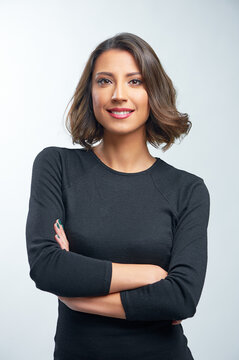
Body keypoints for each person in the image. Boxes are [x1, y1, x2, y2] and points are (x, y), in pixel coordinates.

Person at [25, 32, 210, 360]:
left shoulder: (188, 190)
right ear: (91, 92)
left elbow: (181, 297)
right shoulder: (56, 166)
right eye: (105, 81)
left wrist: (78, 298)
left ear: (153, 92)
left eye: (135, 81)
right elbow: (47, 267)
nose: (119, 95)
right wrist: (150, 275)